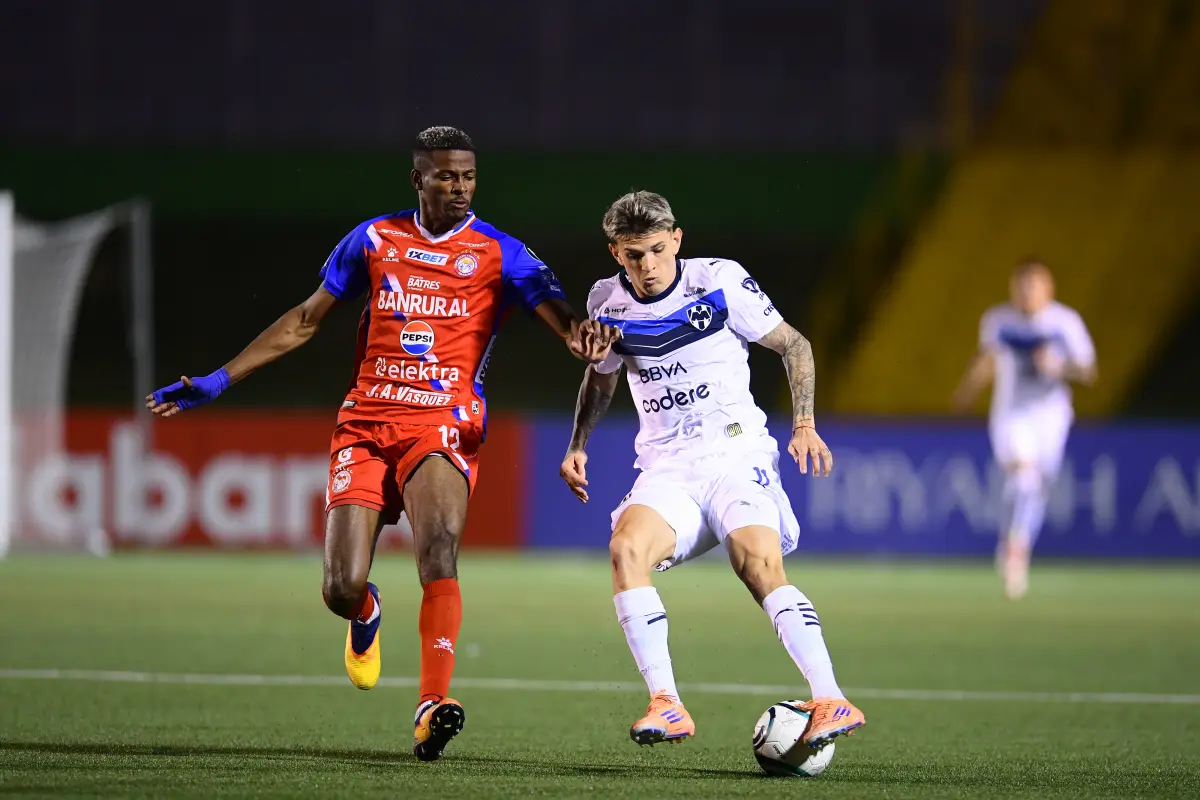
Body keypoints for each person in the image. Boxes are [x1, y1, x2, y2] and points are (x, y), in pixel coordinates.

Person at [146, 126, 620, 761]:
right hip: (365, 423)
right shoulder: (372, 239)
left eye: (469, 177)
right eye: (446, 176)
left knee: (439, 549)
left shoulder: (501, 252)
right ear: (417, 178)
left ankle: (431, 706)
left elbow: (562, 321)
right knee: (340, 587)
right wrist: (220, 378)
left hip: (443, 421)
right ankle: (365, 610)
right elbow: (305, 320)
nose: (459, 187)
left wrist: (582, 339)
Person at [559, 190, 865, 750]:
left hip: (734, 454)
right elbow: (601, 377)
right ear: (615, 253)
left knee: (754, 560)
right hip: (667, 468)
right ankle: (667, 704)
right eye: (633, 255)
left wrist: (803, 423)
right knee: (626, 549)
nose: (647, 266)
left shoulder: (720, 281)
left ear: (676, 239)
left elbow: (794, 346)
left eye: (656, 250)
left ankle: (830, 698)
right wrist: (578, 443)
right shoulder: (606, 302)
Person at [953, 260, 1096, 599]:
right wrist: (966, 393)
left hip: (1052, 417)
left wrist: (1061, 367)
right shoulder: (998, 321)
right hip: (1011, 414)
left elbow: (1088, 372)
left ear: (1049, 288)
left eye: (1033, 285)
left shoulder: (1065, 323)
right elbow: (986, 360)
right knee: (1024, 476)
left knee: (1035, 488)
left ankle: (1013, 544)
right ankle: (1016, 554)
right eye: (1020, 285)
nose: (1026, 292)